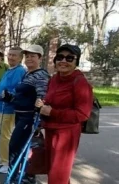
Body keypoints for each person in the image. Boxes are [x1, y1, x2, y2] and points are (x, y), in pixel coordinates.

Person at [36, 44, 93, 184]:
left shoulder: (80, 82)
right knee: (53, 171)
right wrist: (42, 103)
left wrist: (52, 112)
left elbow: (82, 114)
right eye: (60, 57)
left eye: (69, 58)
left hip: (66, 135)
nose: (64, 61)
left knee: (58, 175)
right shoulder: (54, 78)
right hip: (50, 130)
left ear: (76, 62)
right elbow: (51, 99)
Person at [6, 45, 49, 183]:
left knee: (15, 145)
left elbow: (42, 99)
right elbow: (21, 95)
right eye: (28, 56)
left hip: (29, 118)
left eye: (33, 56)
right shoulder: (27, 74)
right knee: (20, 147)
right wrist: (7, 97)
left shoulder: (41, 75)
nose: (29, 59)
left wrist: (38, 122)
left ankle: (17, 177)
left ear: (40, 58)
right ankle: (22, 176)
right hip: (20, 115)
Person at [0, 46, 26, 174]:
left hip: (7, 107)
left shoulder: (19, 71)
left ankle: (7, 161)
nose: (11, 57)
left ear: (20, 58)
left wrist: (2, 95)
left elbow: (16, 90)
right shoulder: (9, 70)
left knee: (5, 135)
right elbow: (2, 86)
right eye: (10, 54)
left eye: (14, 55)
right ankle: (2, 158)